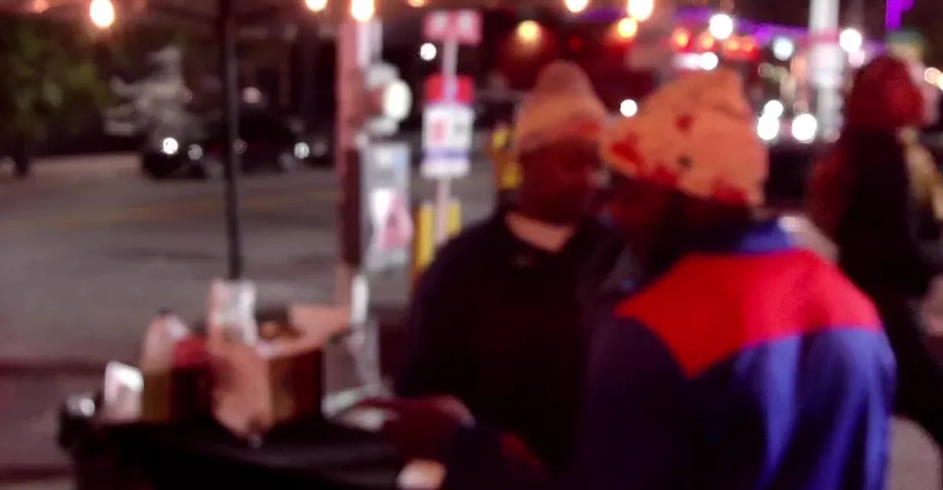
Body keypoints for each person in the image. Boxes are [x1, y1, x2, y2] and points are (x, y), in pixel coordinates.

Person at [377, 69, 896, 490]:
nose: (616, 211)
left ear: (690, 196)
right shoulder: (850, 304)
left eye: (633, 193)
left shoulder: (658, 326)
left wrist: (468, 450)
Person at [394, 61, 624, 472]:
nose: (590, 180)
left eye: (598, 166)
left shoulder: (619, 255)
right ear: (527, 160)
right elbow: (421, 388)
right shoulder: (463, 265)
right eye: (573, 164)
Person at [809, 53, 943, 490]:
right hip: (888, 312)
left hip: (870, 308)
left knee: (856, 436)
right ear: (891, 96)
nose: (929, 92)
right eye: (918, 83)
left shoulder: (890, 150)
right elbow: (901, 250)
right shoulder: (885, 158)